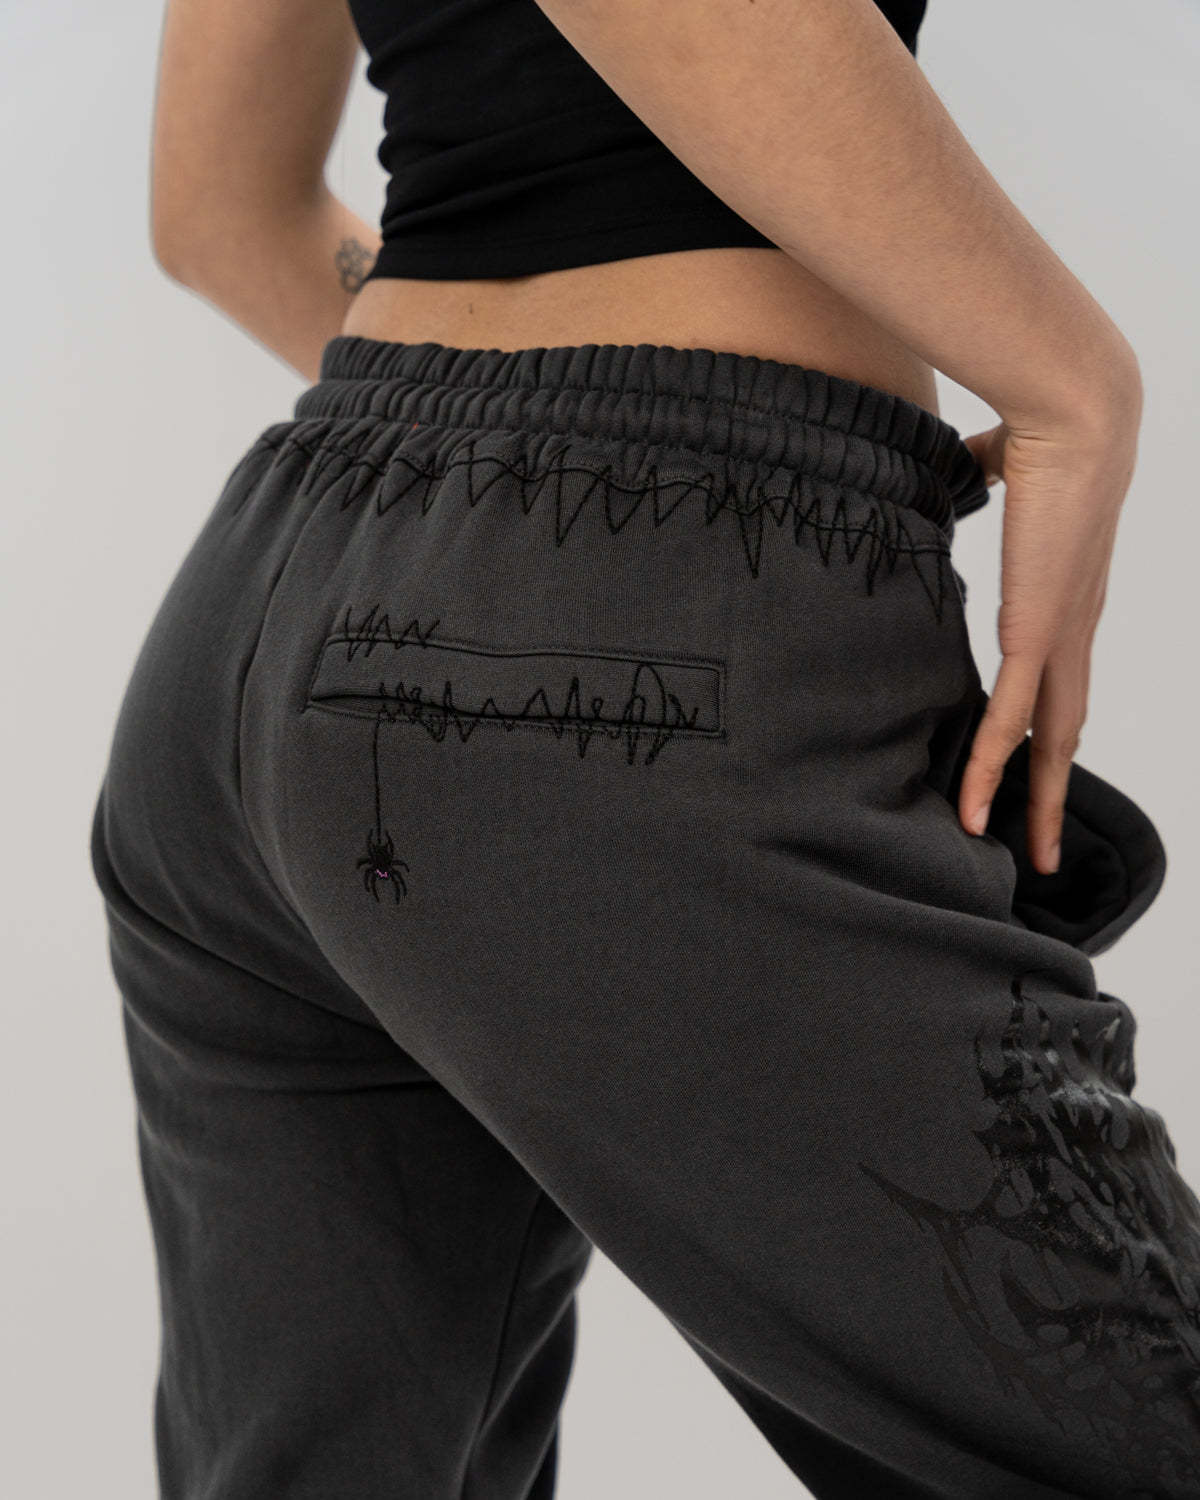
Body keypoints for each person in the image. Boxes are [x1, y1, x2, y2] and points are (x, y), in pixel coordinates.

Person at [89, 0, 1200, 1495]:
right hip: (657, 606)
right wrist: (1073, 378)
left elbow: (219, 208)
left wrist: (469, 504)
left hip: (259, 621)